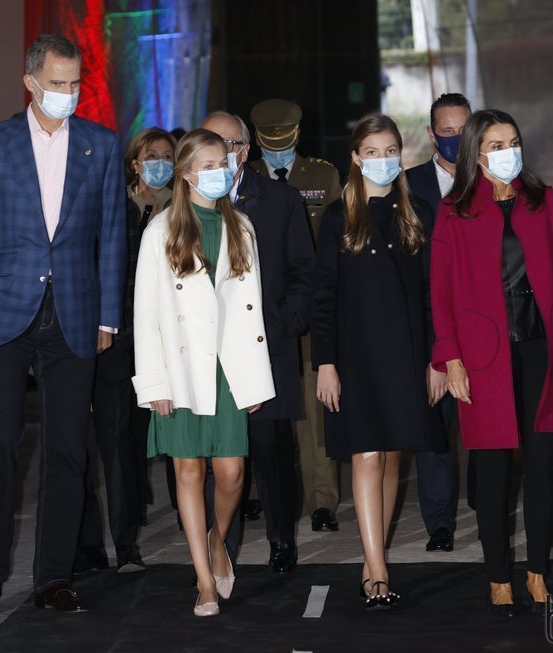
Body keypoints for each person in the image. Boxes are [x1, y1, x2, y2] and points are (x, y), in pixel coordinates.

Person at [0, 34, 126, 615]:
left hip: (76, 313)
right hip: (1, 314)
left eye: (75, 84)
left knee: (69, 448)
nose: (68, 94)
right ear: (30, 82)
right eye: (57, 84)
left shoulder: (101, 146)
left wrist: (107, 315)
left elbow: (111, 238)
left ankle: (55, 573)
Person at [429, 109, 553, 617]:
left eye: (513, 142)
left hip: (541, 346)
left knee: (543, 465)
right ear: (477, 153)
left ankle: (538, 571)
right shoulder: (455, 210)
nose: (507, 152)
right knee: (494, 469)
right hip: (484, 356)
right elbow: (442, 292)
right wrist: (449, 357)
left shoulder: (544, 201)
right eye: (496, 144)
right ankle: (498, 576)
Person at [132, 128, 274, 616]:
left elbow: (251, 313)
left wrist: (256, 378)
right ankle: (203, 581)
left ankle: (218, 540)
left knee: (232, 473)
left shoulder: (244, 227)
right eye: (211, 164)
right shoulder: (161, 229)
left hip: (230, 370)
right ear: (187, 173)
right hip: (181, 370)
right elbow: (145, 314)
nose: (223, 170)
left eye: (227, 161)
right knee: (188, 472)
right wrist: (154, 384)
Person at [312, 113, 446, 610]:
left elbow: (435, 292)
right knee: (366, 454)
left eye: (391, 150)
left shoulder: (420, 212)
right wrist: (325, 362)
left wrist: (438, 358)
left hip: (408, 353)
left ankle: (374, 557)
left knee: (392, 456)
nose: (384, 160)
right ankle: (377, 569)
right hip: (355, 356)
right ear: (355, 157)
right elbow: (322, 296)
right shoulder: (335, 217)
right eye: (373, 151)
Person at [200, 111, 313, 573]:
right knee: (219, 458)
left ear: (244, 151)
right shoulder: (187, 202)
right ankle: (219, 545)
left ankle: (281, 540)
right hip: (208, 354)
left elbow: (304, 273)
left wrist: (282, 325)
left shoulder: (280, 200)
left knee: (271, 451)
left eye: (225, 144)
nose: (217, 154)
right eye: (207, 143)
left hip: (267, 348)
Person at [75, 129, 174, 574]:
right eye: (150, 156)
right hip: (113, 341)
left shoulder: (184, 208)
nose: (159, 163)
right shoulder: (110, 207)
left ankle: (137, 530)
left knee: (146, 443)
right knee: (113, 442)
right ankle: (115, 543)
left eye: (167, 156)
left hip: (166, 344)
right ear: (134, 163)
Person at [249, 98, 342, 533]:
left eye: (284, 141)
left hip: (309, 311)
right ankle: (257, 496)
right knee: (257, 410)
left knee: (313, 412)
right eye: (269, 142)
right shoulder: (241, 180)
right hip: (258, 317)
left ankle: (321, 499)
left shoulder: (322, 176)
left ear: (298, 136)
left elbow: (333, 248)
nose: (278, 149)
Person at [405, 92, 472, 553]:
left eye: (462, 130)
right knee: (433, 432)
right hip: (430, 325)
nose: (454, 139)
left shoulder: (492, 182)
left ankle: (488, 511)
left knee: (487, 430)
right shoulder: (407, 186)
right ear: (432, 134)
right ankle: (440, 524)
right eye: (445, 131)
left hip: (484, 328)